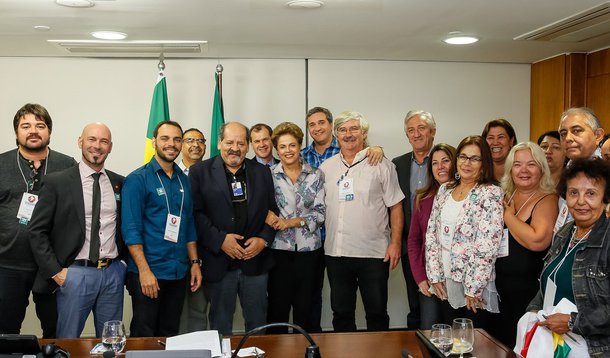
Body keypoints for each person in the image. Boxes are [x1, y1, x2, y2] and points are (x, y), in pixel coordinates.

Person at [28, 123, 126, 338]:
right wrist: (56, 272)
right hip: (74, 274)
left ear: (110, 147)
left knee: (111, 341)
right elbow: (36, 231)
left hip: (112, 274)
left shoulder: (120, 182)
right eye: (91, 139)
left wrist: (123, 265)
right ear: (80, 141)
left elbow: (125, 226)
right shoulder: (57, 182)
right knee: (67, 342)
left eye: (103, 141)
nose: (97, 146)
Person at [189, 122, 278, 336]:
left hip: (255, 262)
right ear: (219, 143)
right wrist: (220, 240)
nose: (234, 148)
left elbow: (273, 212)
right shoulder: (199, 172)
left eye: (240, 143)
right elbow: (195, 214)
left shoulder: (262, 172)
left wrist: (263, 240)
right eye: (229, 142)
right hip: (219, 263)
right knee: (220, 326)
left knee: (258, 325)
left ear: (247, 146)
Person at [300, 106, 384, 332]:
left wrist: (376, 149)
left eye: (321, 123)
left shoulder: (362, 153)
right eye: (312, 124)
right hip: (322, 243)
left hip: (365, 247)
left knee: (375, 309)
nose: (317, 128)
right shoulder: (303, 156)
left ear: (330, 127)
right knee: (333, 306)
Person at [321, 111, 404, 332]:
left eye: (354, 129)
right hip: (336, 255)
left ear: (364, 133)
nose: (348, 134)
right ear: (336, 134)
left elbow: (395, 206)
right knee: (341, 314)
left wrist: (395, 243)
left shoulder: (382, 165)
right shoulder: (326, 168)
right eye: (343, 130)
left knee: (376, 313)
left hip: (374, 254)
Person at [0, 103, 76, 338]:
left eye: (40, 125)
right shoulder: (1, 164)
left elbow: (76, 216)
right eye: (26, 126)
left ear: (49, 132)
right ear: (16, 133)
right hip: (8, 264)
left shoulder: (67, 165)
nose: (33, 130)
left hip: (52, 266)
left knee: (56, 331)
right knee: (6, 332)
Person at [122, 121, 202, 337]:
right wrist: (144, 271)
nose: (171, 144)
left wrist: (194, 263)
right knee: (144, 335)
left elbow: (188, 224)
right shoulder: (137, 179)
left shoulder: (184, 180)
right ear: (154, 141)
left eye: (177, 139)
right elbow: (131, 230)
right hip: (150, 272)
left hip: (178, 272)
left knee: (169, 334)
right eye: (165, 138)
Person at [526, 158, 610, 356]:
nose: (581, 201)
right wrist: (533, 311)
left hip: (594, 349)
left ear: (605, 199)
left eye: (591, 193)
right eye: (573, 193)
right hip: (555, 342)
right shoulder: (565, 232)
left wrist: (573, 321)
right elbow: (550, 279)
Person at [425, 135, 503, 328]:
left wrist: (473, 289)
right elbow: (431, 235)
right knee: (450, 340)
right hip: (444, 281)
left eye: (475, 158)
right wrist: (434, 276)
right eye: (463, 157)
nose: (467, 163)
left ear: (484, 164)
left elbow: (488, 244)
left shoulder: (490, 193)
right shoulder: (444, 189)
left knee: (473, 343)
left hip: (472, 286)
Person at [490, 142, 558, 347]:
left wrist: (508, 217)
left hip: (528, 295)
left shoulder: (548, 199)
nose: (524, 170)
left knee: (521, 347)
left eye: (531, 164)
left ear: (541, 169)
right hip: (498, 291)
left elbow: (538, 240)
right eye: (518, 164)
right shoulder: (504, 196)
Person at [265, 122, 325, 334]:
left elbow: (319, 213)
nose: (288, 150)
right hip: (278, 251)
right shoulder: (268, 176)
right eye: (282, 146)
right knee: (278, 309)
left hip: (310, 252)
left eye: (292, 145)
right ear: (276, 150)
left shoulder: (316, 175)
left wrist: (289, 222)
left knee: (306, 309)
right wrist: (267, 216)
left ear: (300, 146)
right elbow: (258, 207)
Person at [393, 110, 437, 329]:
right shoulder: (397, 164)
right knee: (416, 300)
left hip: (441, 245)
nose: (416, 134)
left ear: (433, 132)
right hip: (411, 244)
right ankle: (416, 345)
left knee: (439, 302)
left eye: (421, 128)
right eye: (411, 130)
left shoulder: (446, 159)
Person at [407, 143, 455, 330]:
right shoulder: (423, 198)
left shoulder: (468, 197)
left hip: (458, 280)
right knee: (431, 331)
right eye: (435, 163)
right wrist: (420, 278)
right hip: (430, 280)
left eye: (445, 161)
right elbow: (414, 241)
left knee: (458, 335)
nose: (440, 167)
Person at [177, 128, 209, 334]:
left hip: (205, 253)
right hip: (174, 255)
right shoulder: (171, 174)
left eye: (200, 140)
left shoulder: (214, 174)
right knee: (174, 311)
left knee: (199, 310)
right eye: (189, 140)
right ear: (180, 145)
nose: (195, 144)